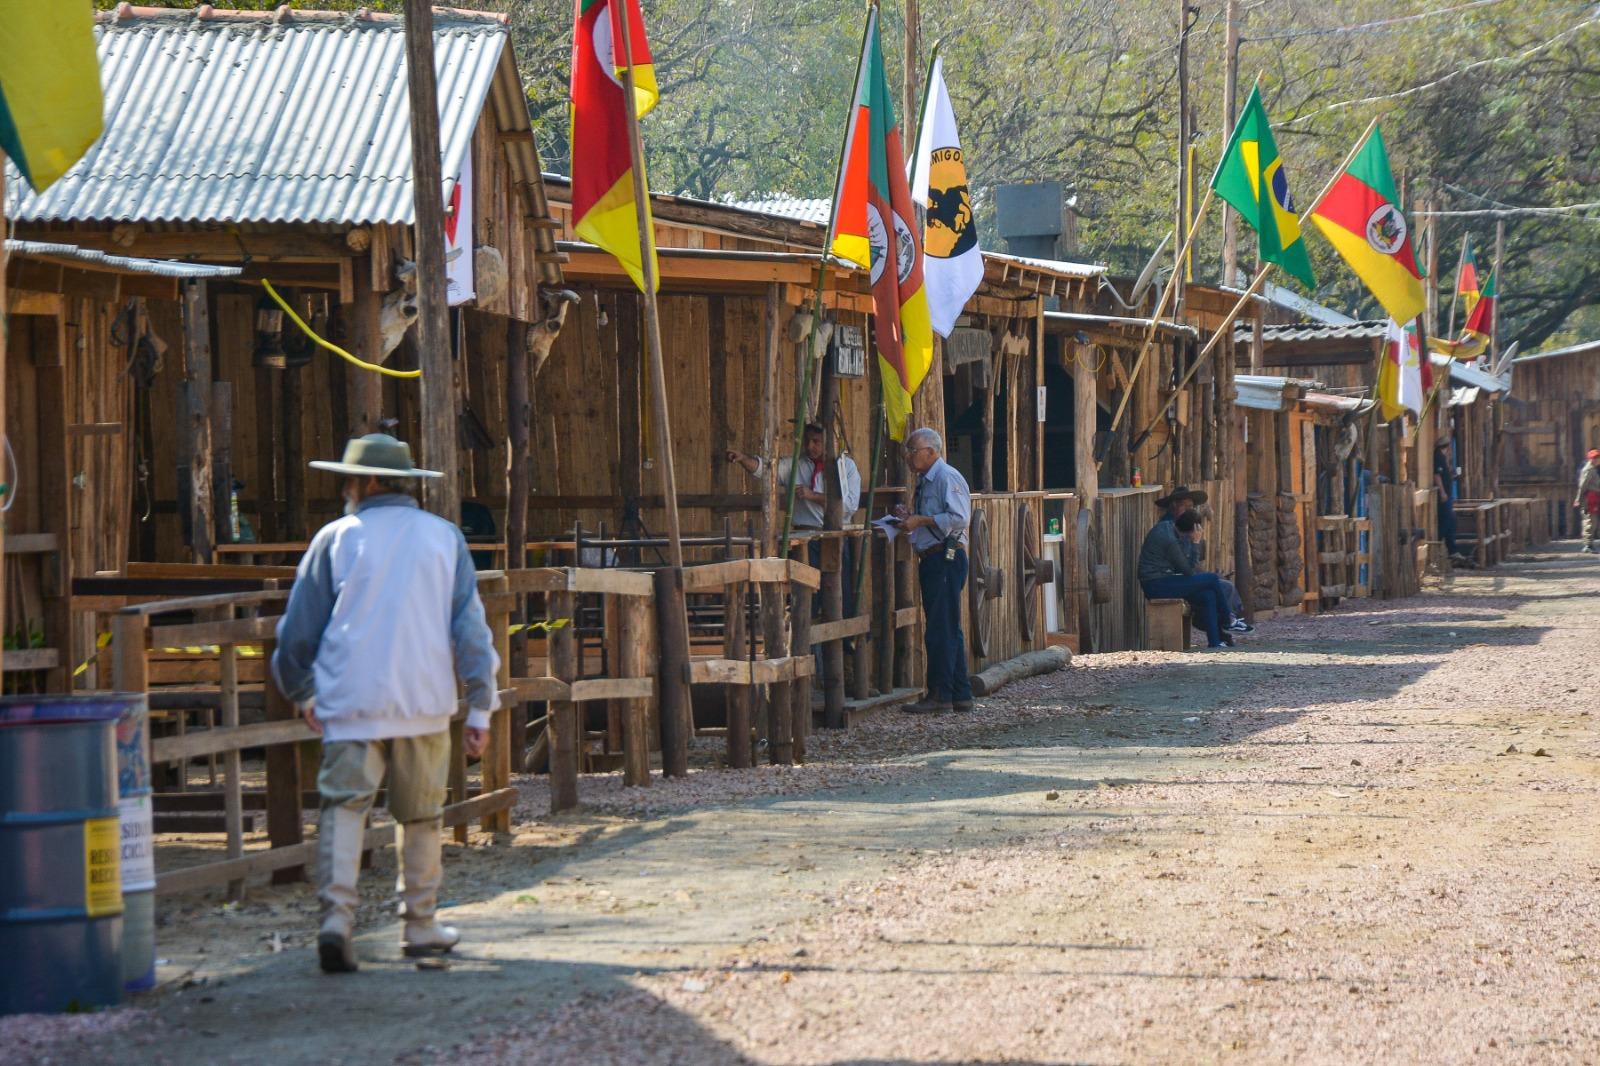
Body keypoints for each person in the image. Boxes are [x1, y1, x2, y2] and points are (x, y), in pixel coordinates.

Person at [271, 434, 501, 974]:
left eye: (349, 480)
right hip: (422, 699)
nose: (346, 489)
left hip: (349, 698)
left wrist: (301, 688)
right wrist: (479, 707)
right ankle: (419, 924)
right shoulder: (444, 538)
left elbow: (297, 631)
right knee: (421, 813)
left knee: (343, 807)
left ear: (368, 482)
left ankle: (336, 920)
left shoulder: (336, 538)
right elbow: (472, 631)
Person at [727, 422, 862, 614]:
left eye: (816, 442)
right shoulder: (796, 464)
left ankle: (844, 642)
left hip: (835, 537)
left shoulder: (845, 466)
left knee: (839, 596)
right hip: (804, 541)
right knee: (806, 597)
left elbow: (849, 505)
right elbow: (765, 470)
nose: (810, 446)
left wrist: (813, 496)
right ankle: (808, 641)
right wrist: (743, 459)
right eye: (807, 441)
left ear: (830, 442)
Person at [895, 428, 974, 714]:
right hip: (934, 558)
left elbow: (959, 518)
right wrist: (911, 518)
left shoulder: (946, 477)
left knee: (940, 629)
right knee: (948, 626)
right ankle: (960, 693)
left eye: (913, 450)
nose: (908, 455)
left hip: (945, 558)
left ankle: (939, 695)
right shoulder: (926, 481)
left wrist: (921, 520)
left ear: (931, 451)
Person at [1155, 487, 1251, 635]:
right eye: (1184, 506)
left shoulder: (1184, 524)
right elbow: (1183, 563)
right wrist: (1195, 544)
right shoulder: (1168, 527)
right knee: (1222, 586)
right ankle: (1222, 623)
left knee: (1221, 581)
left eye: (1191, 506)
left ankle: (1226, 624)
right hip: (1173, 579)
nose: (1188, 510)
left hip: (1184, 574)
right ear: (1174, 505)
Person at [1139, 507, 1233, 649]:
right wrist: (1195, 543)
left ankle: (1215, 643)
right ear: (1191, 531)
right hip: (1156, 584)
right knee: (1212, 579)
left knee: (1208, 595)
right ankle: (1228, 621)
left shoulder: (1169, 528)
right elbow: (1189, 570)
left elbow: (1182, 566)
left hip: (1163, 580)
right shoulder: (1170, 540)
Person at [1434, 438, 1466, 562]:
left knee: (1451, 521)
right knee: (1446, 521)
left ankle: (1452, 550)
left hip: (1447, 494)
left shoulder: (1442, 458)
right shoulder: (1438, 457)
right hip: (1444, 496)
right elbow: (1436, 475)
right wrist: (1442, 492)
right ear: (1446, 447)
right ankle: (1438, 545)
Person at [1575, 449, 1600, 553]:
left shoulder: (1593, 469)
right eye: (1596, 458)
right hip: (1589, 497)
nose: (1598, 460)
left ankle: (1589, 544)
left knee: (1593, 521)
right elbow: (1582, 486)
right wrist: (1578, 499)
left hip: (1594, 496)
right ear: (1592, 459)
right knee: (1589, 520)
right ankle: (1587, 545)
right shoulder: (1588, 470)